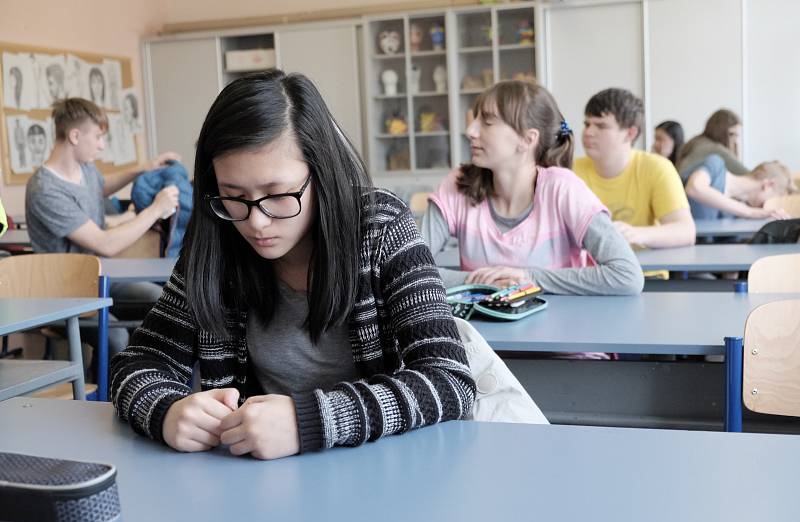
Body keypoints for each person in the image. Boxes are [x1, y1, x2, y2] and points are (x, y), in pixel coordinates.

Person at [110, 70, 475, 460]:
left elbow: (449, 379)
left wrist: (311, 420)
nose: (256, 222)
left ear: (321, 174)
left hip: (383, 471)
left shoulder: (382, 227)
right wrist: (165, 410)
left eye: (278, 195)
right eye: (234, 196)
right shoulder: (217, 241)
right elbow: (138, 362)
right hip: (259, 482)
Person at [423, 80, 643, 296]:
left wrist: (528, 279)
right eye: (475, 119)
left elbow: (627, 275)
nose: (470, 130)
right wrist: (485, 284)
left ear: (527, 140)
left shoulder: (563, 188)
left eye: (487, 122)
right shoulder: (459, 183)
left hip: (560, 329)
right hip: (479, 331)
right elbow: (401, 267)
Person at [25, 97, 180, 372]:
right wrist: (156, 209)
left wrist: (143, 168)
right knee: (115, 337)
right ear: (74, 136)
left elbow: (101, 187)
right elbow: (104, 244)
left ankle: (148, 381)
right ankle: (101, 405)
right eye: (97, 136)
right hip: (64, 292)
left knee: (163, 303)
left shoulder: (84, 169)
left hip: (99, 278)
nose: (101, 144)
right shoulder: (45, 189)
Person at [573, 88, 695, 249]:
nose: (588, 132)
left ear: (630, 133)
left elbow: (686, 231)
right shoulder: (570, 170)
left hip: (646, 271)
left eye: (601, 126)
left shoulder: (657, 167)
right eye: (587, 124)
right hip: (588, 272)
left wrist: (636, 234)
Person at [683, 156, 794, 220]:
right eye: (773, 198)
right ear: (769, 185)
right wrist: (750, 212)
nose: (766, 206)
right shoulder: (716, 164)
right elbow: (694, 188)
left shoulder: (733, 212)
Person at [677, 109, 747, 176]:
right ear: (720, 132)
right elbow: (747, 176)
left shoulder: (697, 141)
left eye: (737, 136)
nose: (736, 141)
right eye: (731, 134)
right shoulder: (713, 149)